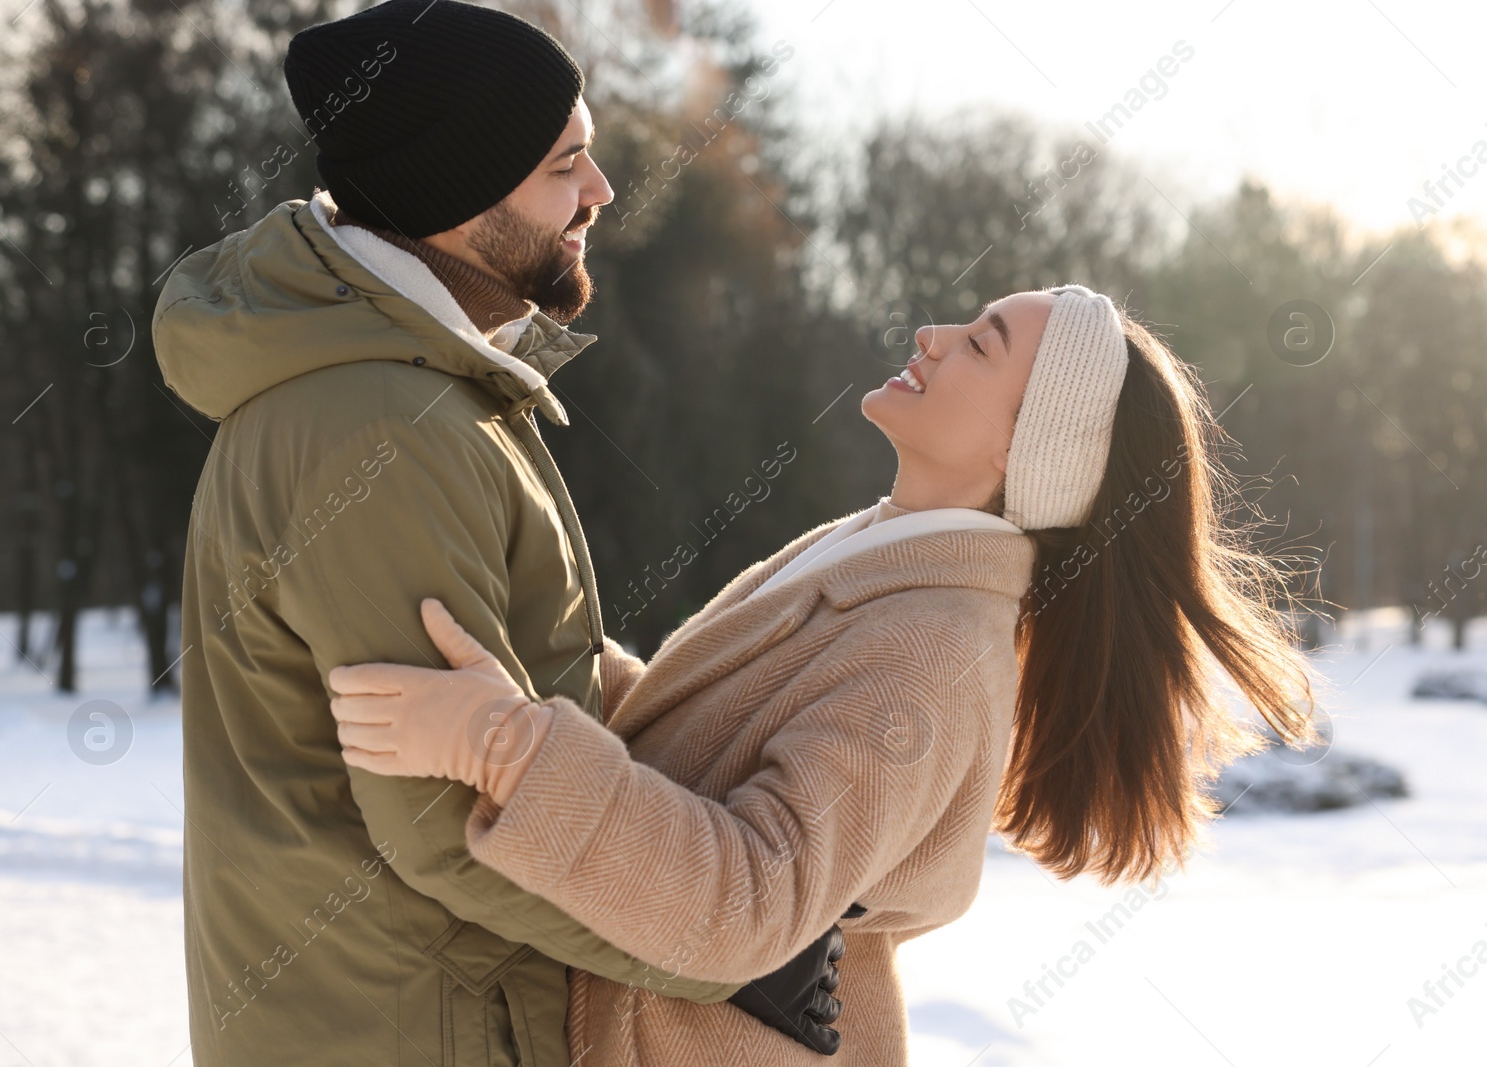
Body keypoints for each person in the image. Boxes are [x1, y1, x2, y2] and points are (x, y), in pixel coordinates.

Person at [330, 284, 1321, 1064]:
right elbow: (707, 754)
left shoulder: (932, 650)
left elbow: (748, 901)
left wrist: (501, 743)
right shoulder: (877, 551)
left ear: (1025, 446)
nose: (932, 332)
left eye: (979, 342)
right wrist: (571, 669)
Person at [153, 2, 843, 1063]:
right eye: (565, 164)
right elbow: (448, 822)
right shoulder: (380, 427)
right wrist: (735, 952)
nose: (601, 192)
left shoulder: (412, 396)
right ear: (457, 189)